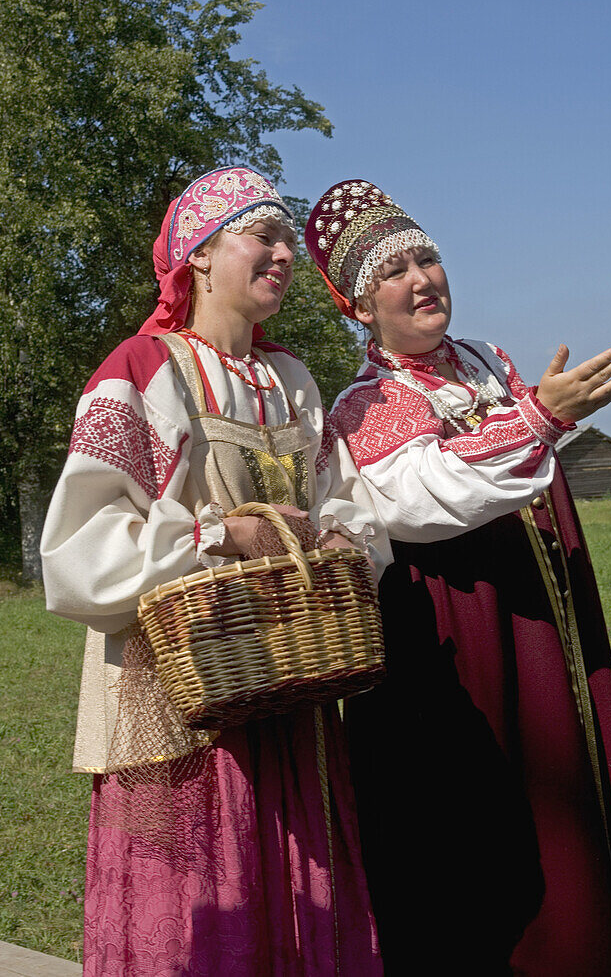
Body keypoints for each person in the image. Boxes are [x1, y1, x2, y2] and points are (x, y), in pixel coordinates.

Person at [305, 179, 611, 977]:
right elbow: (430, 495)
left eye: (426, 257)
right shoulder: (366, 405)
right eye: (392, 272)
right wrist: (540, 416)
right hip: (456, 638)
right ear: (361, 308)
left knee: (564, 791)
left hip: (533, 611)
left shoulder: (482, 361)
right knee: (480, 824)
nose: (421, 279)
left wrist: (534, 412)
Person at [41, 167, 389, 977]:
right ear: (198, 254)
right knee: (199, 914)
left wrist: (341, 543)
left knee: (302, 900)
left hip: (290, 682)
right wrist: (215, 536)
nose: (282, 254)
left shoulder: (292, 381)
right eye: (260, 236)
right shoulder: (140, 372)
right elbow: (77, 552)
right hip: (175, 701)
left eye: (285, 241)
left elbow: (345, 502)